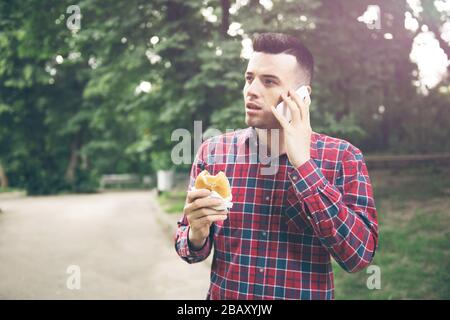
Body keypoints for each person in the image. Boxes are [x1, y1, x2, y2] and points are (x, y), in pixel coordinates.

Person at [175, 32, 378, 300]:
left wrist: (304, 166)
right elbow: (188, 247)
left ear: (302, 95)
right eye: (249, 78)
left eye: (268, 82)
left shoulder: (344, 158)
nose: (251, 90)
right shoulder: (213, 154)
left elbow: (358, 256)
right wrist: (196, 234)